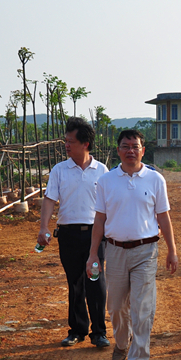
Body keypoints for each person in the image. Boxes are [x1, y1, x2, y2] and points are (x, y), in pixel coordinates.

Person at [87, 129, 178, 360]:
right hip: (115, 250)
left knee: (142, 307)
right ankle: (121, 341)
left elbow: (163, 217)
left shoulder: (155, 179)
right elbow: (99, 219)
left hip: (145, 251)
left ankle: (139, 358)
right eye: (125, 146)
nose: (130, 151)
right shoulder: (106, 181)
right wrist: (93, 254)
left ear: (143, 150)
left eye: (135, 146)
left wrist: (172, 250)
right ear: (118, 150)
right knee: (116, 307)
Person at [38, 117, 110, 348]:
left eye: (71, 141)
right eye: (66, 141)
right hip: (68, 235)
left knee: (95, 279)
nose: (67, 145)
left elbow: (110, 204)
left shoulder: (102, 171)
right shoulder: (60, 170)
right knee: (75, 282)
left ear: (85, 144)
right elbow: (50, 199)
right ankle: (77, 330)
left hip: (95, 236)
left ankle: (99, 332)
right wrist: (43, 228)